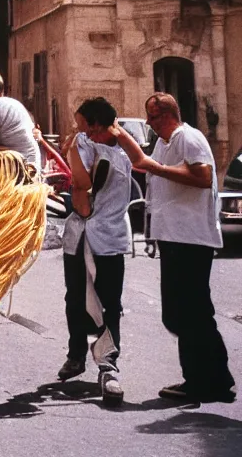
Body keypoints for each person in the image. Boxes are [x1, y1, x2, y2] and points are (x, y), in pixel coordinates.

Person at [110, 93, 235, 403]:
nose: (149, 124)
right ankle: (212, 378)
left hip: (192, 238)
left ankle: (207, 380)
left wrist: (156, 168)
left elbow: (203, 176)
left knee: (190, 313)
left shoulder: (188, 138)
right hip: (175, 238)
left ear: (164, 115)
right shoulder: (165, 144)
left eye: (151, 118)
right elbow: (143, 163)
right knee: (182, 313)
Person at [55, 97, 131, 406]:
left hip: (106, 238)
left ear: (96, 125)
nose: (76, 130)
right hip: (80, 237)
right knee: (75, 298)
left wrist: (72, 149)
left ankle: (108, 366)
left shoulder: (113, 153)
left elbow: (82, 188)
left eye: (80, 124)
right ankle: (76, 355)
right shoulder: (90, 146)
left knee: (108, 302)